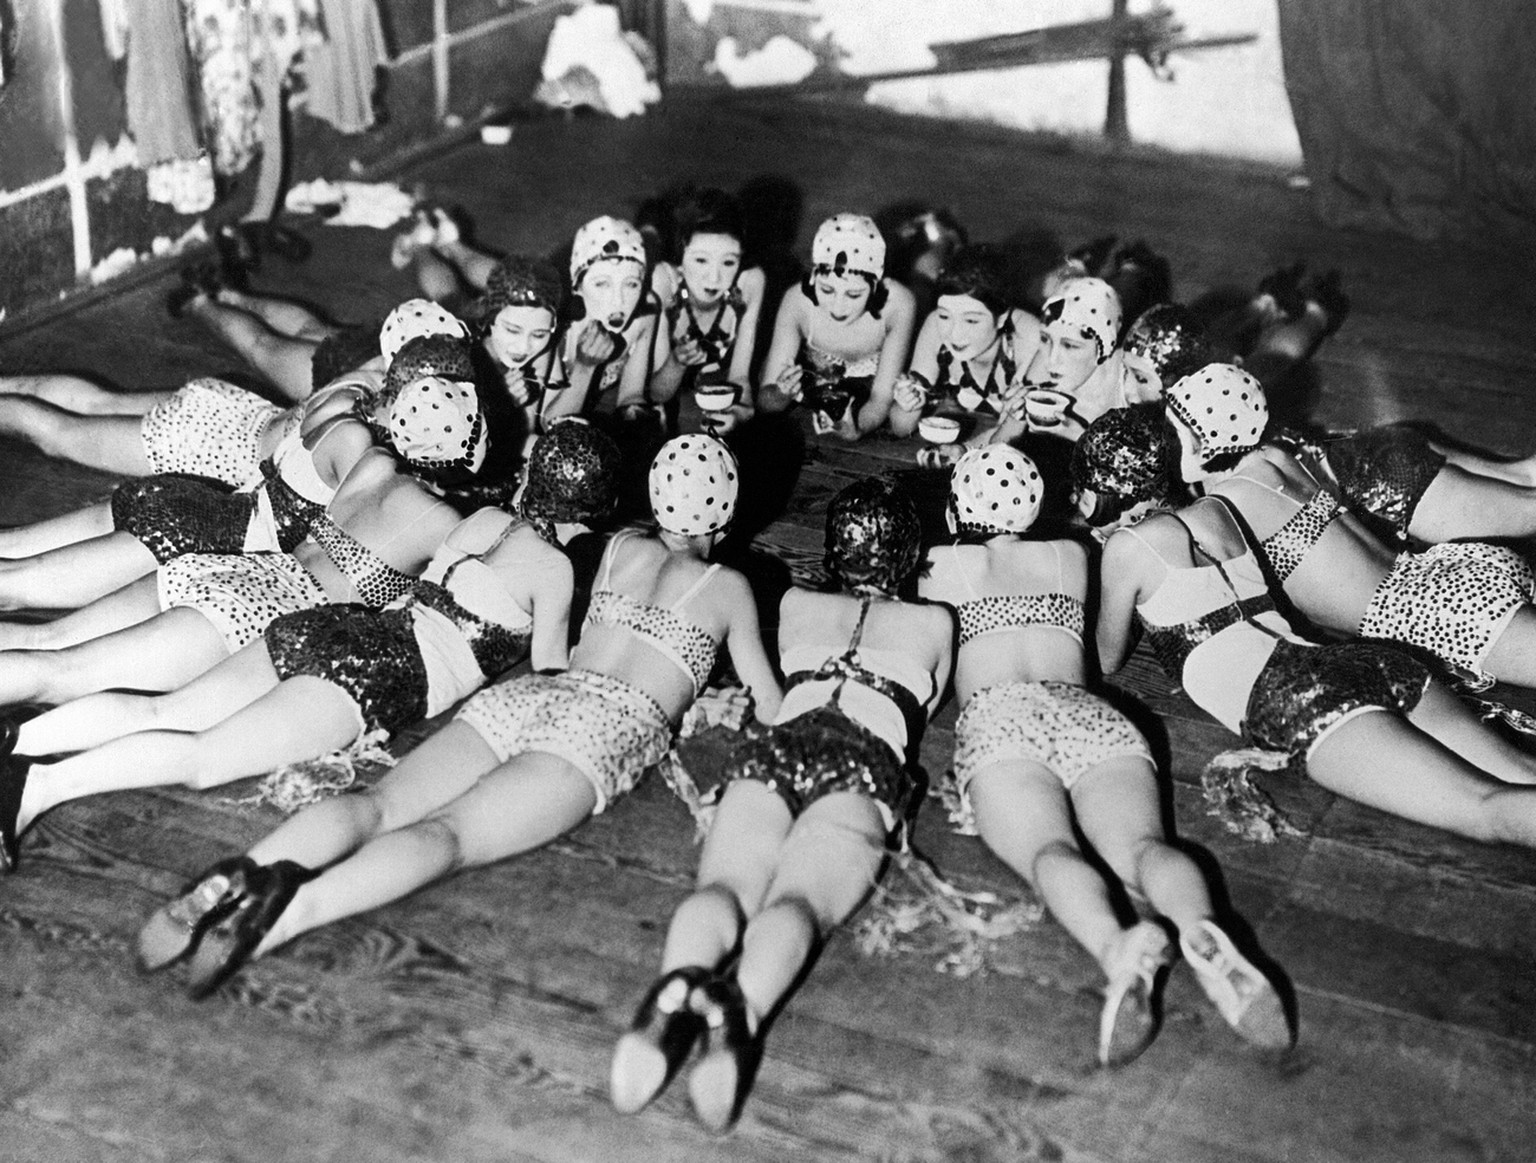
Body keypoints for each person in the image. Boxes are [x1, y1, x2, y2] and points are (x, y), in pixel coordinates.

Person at [132, 434, 781, 1006]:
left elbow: (577, 646)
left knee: (378, 802)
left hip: (531, 696)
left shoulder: (619, 550)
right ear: (724, 511)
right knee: (449, 837)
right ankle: (281, 918)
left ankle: (237, 873)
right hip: (601, 729)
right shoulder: (728, 586)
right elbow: (769, 703)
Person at [0, 422, 621, 873]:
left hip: (326, 625)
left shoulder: (480, 525)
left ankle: (21, 744)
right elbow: (550, 674)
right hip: (380, 669)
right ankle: (35, 791)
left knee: (163, 712)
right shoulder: (551, 568)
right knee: (205, 755)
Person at [916, 446, 1289, 1064]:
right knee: (1146, 850)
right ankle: (1201, 927)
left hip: (1002, 718)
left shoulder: (937, 565)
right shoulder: (1070, 556)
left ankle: (1117, 947)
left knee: (1049, 851)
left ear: (957, 510)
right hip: (1090, 714)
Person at [609, 476, 953, 1131]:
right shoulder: (935, 621)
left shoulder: (796, 601)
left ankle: (673, 988)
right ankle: (739, 1013)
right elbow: (926, 707)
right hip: (863, 757)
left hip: (780, 742)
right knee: (800, 903)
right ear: (910, 554)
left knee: (726, 886)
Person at [1072, 407, 1536, 863]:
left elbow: (1106, 658)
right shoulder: (1221, 511)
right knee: (1519, 773)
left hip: (1301, 700)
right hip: (1363, 660)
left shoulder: (1125, 549)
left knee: (1487, 811)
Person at [0, 335, 487, 707]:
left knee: (23, 567)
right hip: (202, 520)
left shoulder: (352, 399)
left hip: (209, 475)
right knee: (39, 615)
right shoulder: (369, 458)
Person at [1167, 364, 1536, 689]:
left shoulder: (1224, 507)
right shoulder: (1276, 457)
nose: (1165, 444)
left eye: (1174, 434)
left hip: (1427, 614)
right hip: (1442, 570)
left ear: (1205, 445)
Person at [758, 213, 917, 440]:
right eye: (827, 290)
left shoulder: (898, 303)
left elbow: (881, 398)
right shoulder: (796, 301)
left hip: (868, 394)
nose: (838, 307)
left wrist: (859, 427)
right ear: (813, 278)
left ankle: (934, 234)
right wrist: (781, 394)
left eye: (853, 294)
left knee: (924, 276)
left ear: (876, 286)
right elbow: (765, 401)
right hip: (822, 392)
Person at [887, 243, 1043, 461]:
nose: (954, 333)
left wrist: (965, 450)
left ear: (1001, 318)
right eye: (945, 316)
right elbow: (900, 428)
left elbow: (1011, 434)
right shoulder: (935, 326)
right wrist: (908, 405)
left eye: (971, 320)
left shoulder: (1027, 337)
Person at [643, 187, 767, 437]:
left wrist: (737, 413)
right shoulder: (664, 281)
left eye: (729, 262)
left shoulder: (749, 283)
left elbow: (741, 380)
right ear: (682, 251)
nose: (714, 277)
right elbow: (656, 393)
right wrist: (676, 362)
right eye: (701, 260)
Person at [542, 216, 660, 423]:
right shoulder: (556, 332)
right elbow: (548, 424)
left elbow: (631, 394)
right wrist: (584, 367)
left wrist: (639, 417)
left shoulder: (642, 319)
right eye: (601, 284)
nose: (619, 301)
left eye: (631, 284)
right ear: (577, 286)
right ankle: (462, 248)